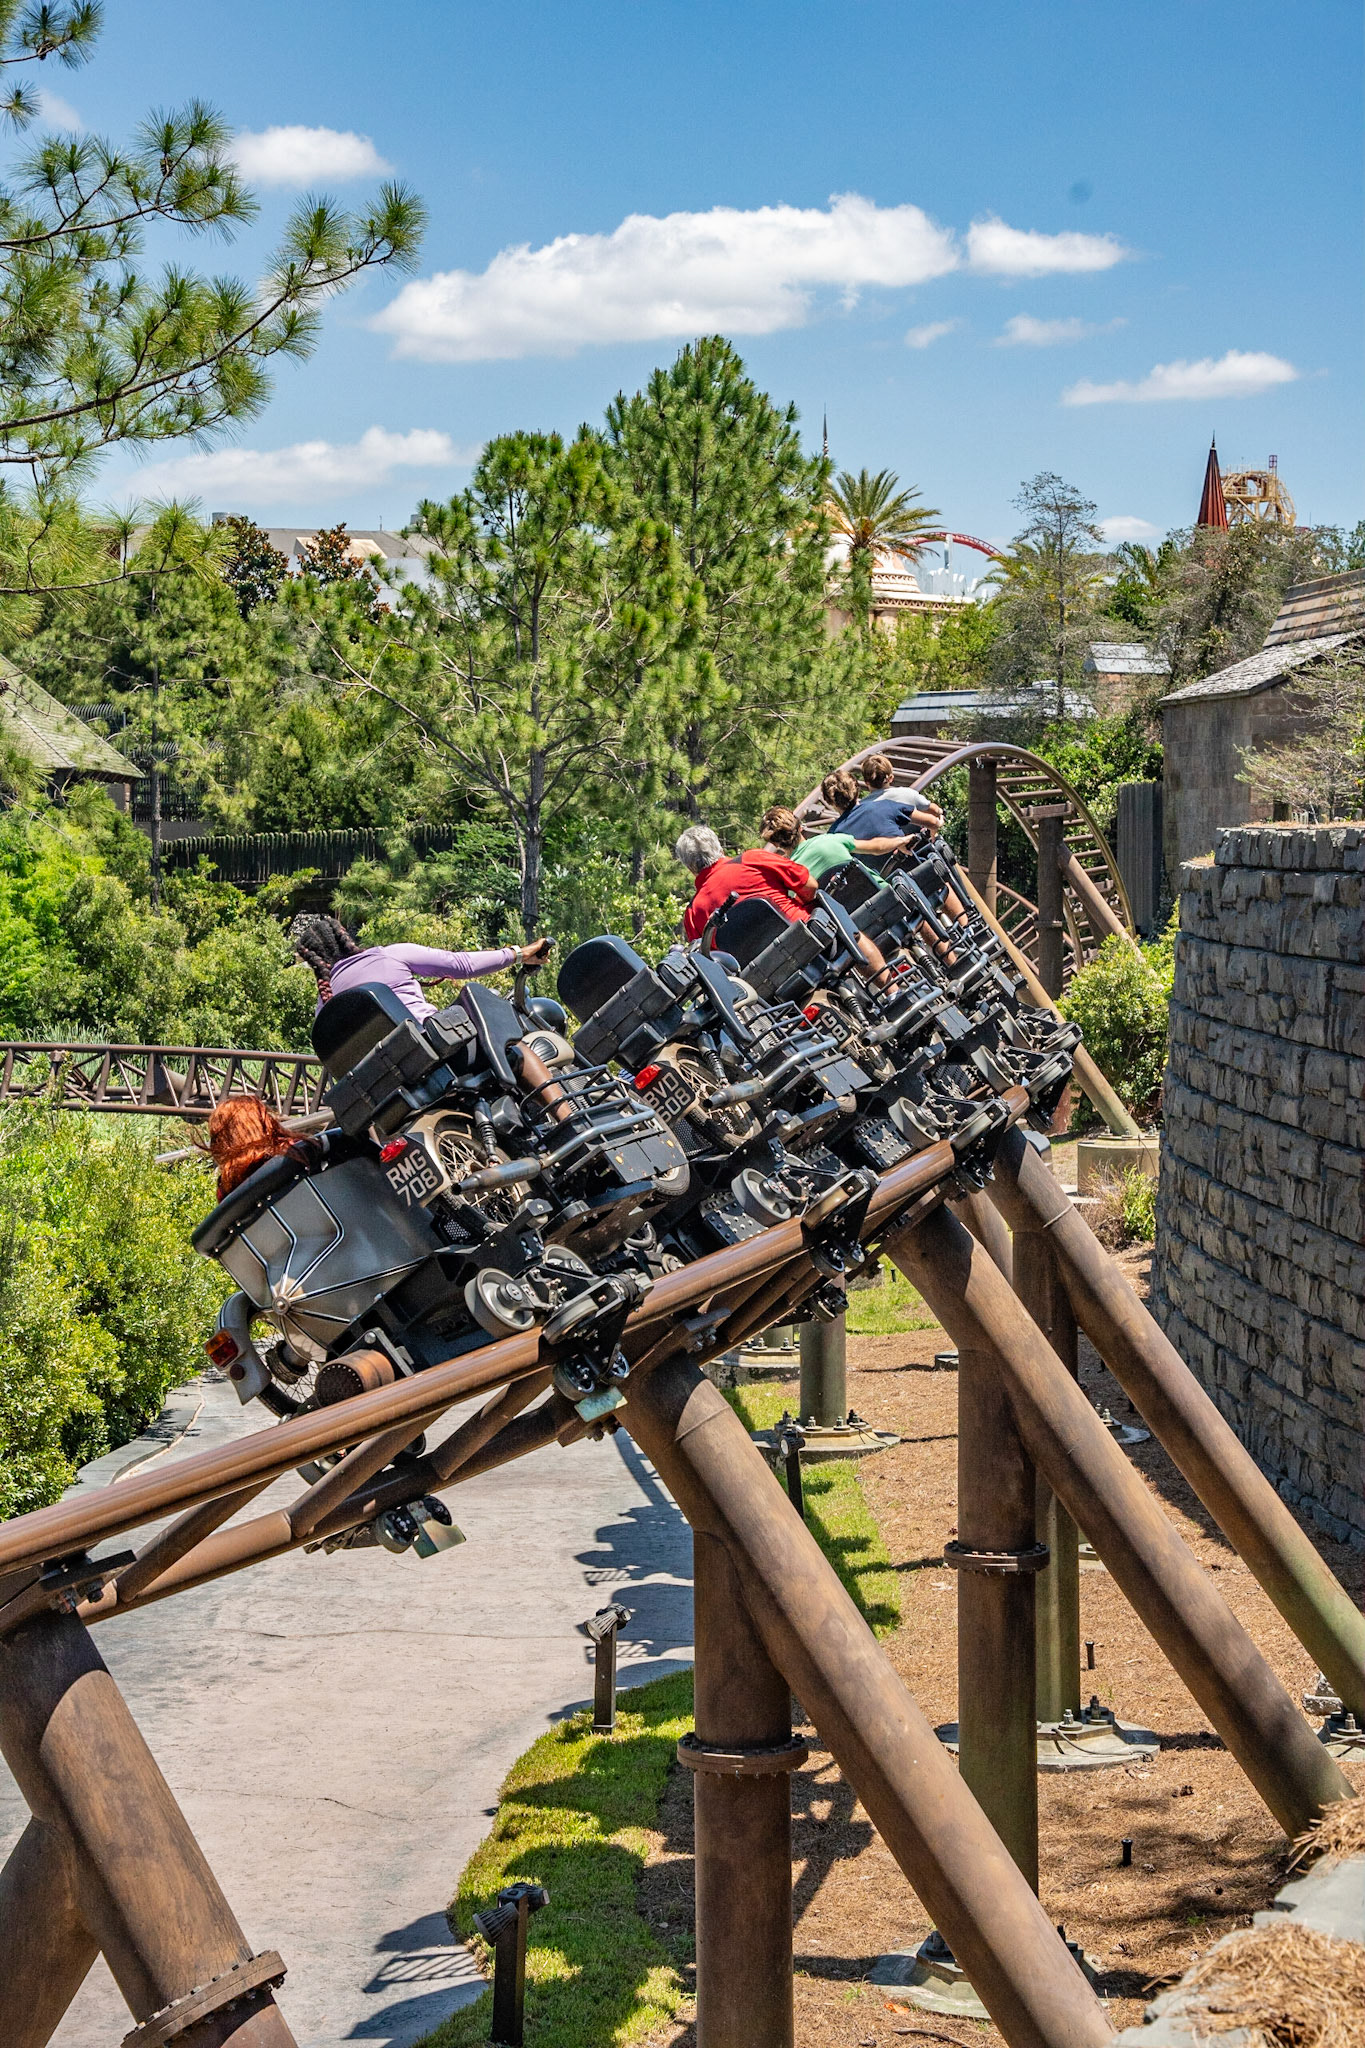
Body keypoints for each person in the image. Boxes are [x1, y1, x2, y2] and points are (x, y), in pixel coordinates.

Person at [290, 913, 553, 1021]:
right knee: (520, 1052)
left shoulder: (325, 1005)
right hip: (437, 1047)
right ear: (344, 937)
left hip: (392, 1087)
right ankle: (568, 1120)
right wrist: (520, 953)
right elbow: (462, 965)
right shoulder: (390, 955)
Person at [674, 824, 817, 943]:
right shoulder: (752, 859)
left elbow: (709, 960)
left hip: (765, 973)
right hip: (809, 938)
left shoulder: (692, 914)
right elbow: (810, 887)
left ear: (690, 868)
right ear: (720, 848)